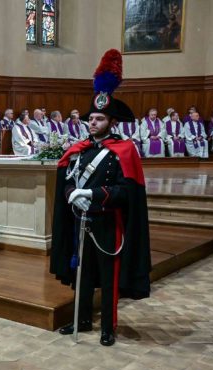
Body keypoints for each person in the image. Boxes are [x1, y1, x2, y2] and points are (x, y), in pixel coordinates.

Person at [50, 49, 151, 347]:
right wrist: (72, 194)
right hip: (81, 221)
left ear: (111, 121)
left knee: (109, 277)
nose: (92, 123)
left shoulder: (124, 150)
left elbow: (125, 191)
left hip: (108, 223)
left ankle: (107, 326)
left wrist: (91, 194)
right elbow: (67, 180)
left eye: (99, 119)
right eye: (91, 119)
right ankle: (81, 319)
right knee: (82, 273)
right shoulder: (80, 149)